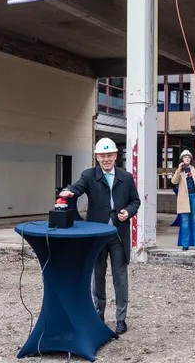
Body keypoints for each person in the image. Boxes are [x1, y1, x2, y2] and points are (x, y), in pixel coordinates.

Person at [59, 137, 140, 336]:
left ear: (115, 156)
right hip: (97, 234)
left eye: (109, 155)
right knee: (98, 276)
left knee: (120, 277)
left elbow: (135, 201)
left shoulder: (126, 177)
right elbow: (78, 187)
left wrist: (128, 212)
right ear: (97, 157)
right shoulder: (89, 175)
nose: (106, 159)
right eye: (102, 156)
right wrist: (69, 192)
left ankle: (121, 319)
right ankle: (98, 314)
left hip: (118, 234)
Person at [171, 150, 195, 251]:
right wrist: (179, 170)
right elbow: (174, 181)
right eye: (185, 157)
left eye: (188, 157)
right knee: (184, 222)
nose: (187, 158)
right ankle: (185, 244)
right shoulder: (180, 170)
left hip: (194, 197)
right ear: (182, 159)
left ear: (191, 158)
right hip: (184, 198)